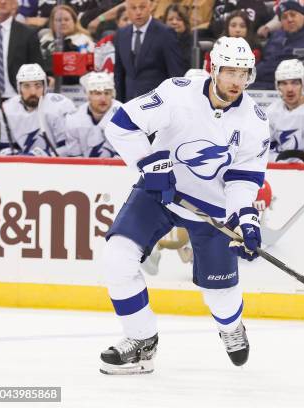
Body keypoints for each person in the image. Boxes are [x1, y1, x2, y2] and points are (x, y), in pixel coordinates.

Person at [100, 36, 269, 374]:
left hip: (212, 206)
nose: (237, 81)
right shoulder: (177, 93)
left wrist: (245, 219)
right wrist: (148, 165)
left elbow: (242, 180)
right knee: (117, 258)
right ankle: (141, 342)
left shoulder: (255, 119)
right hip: (160, 192)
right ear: (214, 68)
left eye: (244, 73)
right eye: (230, 72)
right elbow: (119, 126)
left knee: (220, 294)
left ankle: (231, 326)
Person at [0, 0, 44, 142]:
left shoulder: (28, 33)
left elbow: (37, 67)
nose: (3, 1)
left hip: (17, 100)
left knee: (16, 147)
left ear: (16, 3)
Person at [253, 0, 304, 90]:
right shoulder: (276, 36)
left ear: (302, 15)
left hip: (299, 82)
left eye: (293, 14)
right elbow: (265, 60)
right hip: (269, 81)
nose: (289, 19)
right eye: (284, 17)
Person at [114, 0, 184, 102]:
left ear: (150, 7)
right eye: (133, 8)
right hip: (129, 103)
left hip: (157, 103)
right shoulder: (121, 34)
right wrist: (119, 103)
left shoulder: (165, 33)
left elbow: (175, 73)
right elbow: (119, 72)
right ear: (127, 10)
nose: (138, 12)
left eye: (142, 7)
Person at [0, 63, 76, 156]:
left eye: (38, 85)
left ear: (45, 87)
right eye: (26, 86)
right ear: (19, 88)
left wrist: (45, 156)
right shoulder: (7, 108)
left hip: (54, 166)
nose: (33, 92)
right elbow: (6, 147)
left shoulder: (60, 106)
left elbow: (70, 148)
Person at [266, 59, 304, 162]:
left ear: (303, 84)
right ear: (278, 86)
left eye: (295, 83)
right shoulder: (271, 111)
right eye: (284, 83)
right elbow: (264, 150)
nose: (289, 89)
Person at [64, 72, 121, 157]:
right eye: (98, 93)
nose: (103, 99)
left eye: (107, 93)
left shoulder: (124, 116)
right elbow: (75, 157)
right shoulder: (74, 118)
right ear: (88, 95)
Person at [39, 5, 95, 85]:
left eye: (66, 20)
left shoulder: (84, 41)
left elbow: (89, 69)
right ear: (52, 23)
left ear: (74, 21)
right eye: (58, 20)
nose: (63, 23)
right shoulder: (45, 40)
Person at [163, 4, 192, 71]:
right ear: (164, 22)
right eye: (170, 19)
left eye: (179, 19)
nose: (174, 22)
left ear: (185, 22)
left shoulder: (192, 41)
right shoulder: (158, 40)